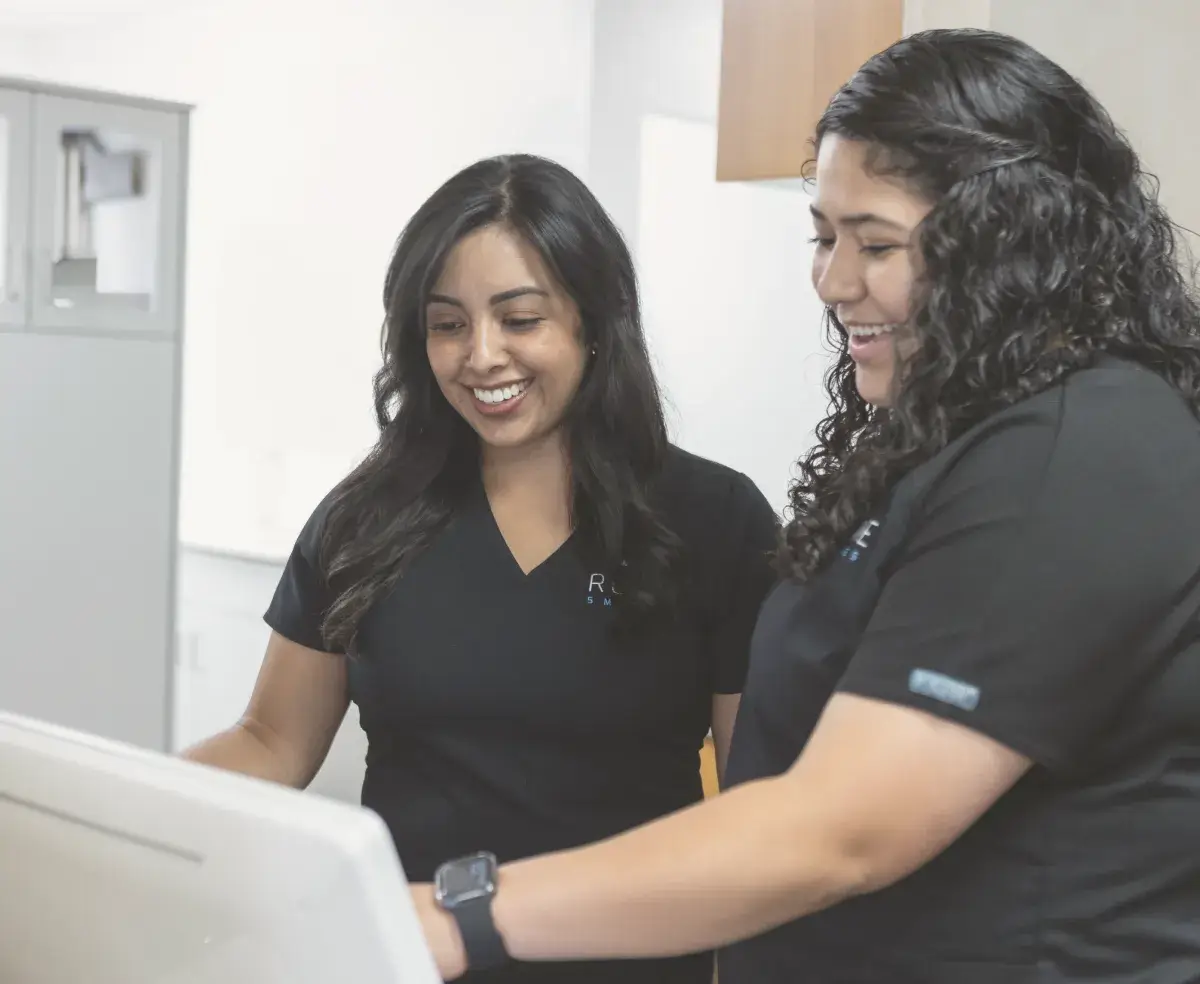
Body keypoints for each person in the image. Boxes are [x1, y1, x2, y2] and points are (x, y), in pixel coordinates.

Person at [411, 28, 1200, 984]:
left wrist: (468, 918)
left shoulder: (1077, 453)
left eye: (876, 243)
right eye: (824, 237)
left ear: (1013, 240)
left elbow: (844, 829)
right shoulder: (957, 444)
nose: (832, 283)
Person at [183, 153, 779, 983]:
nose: (482, 356)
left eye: (520, 318)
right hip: (406, 959)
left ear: (594, 321)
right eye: (448, 324)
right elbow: (272, 741)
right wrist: (106, 806)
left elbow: (764, 809)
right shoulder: (366, 518)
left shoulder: (713, 518)